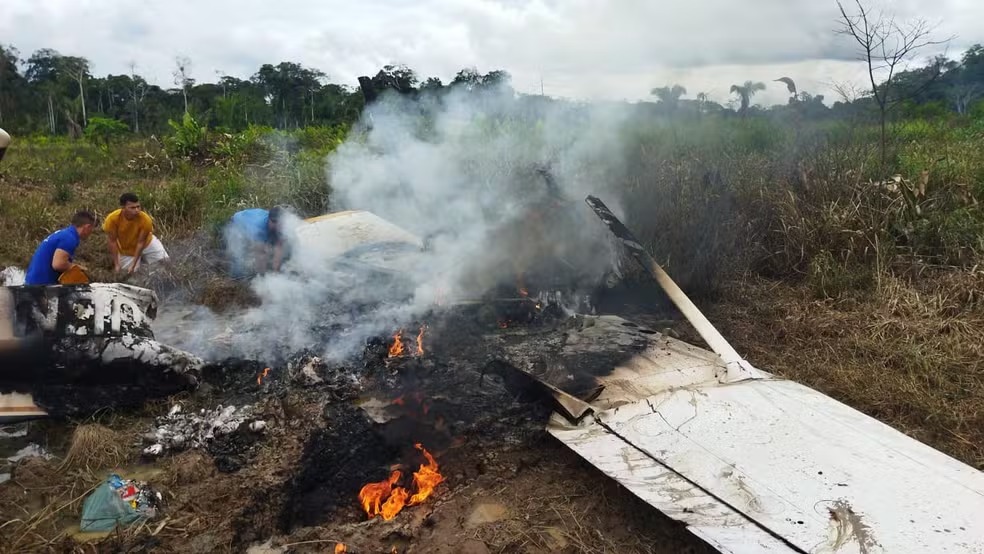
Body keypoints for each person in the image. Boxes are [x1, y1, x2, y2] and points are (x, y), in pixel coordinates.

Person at [24, 211, 97, 286]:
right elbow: (58, 264)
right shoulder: (69, 238)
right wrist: (76, 268)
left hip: (32, 281)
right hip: (41, 286)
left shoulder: (64, 234)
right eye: (91, 229)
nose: (91, 233)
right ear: (87, 227)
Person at [103, 192, 169, 275]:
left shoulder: (145, 220)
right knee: (128, 275)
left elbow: (140, 243)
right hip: (126, 250)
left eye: (138, 207)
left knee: (165, 262)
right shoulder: (112, 219)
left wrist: (133, 264)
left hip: (147, 243)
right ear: (123, 208)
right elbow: (112, 241)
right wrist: (117, 264)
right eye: (132, 208)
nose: (137, 210)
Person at [223, 206, 285, 277]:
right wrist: (263, 278)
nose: (280, 225)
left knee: (267, 250)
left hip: (252, 219)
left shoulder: (281, 226)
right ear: (270, 220)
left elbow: (279, 248)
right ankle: (237, 280)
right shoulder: (259, 227)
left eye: (281, 222)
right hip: (237, 224)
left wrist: (276, 273)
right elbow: (261, 254)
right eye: (276, 223)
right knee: (238, 257)